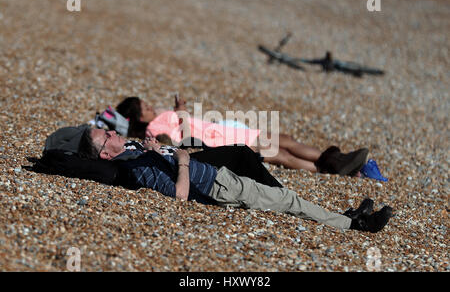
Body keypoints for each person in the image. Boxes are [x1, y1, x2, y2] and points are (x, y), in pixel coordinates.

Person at [78, 128, 394, 233]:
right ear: (105, 155)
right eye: (106, 135)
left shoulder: (138, 155)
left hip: (218, 177)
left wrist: (163, 151)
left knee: (287, 199)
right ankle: (356, 225)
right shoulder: (133, 167)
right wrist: (182, 161)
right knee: (287, 200)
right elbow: (179, 195)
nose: (113, 133)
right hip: (216, 185)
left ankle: (345, 218)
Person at [115, 96, 369, 176]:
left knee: (285, 141)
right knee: (279, 152)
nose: (149, 106)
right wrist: (180, 113)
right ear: (138, 116)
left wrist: (179, 109)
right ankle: (330, 167)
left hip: (222, 131)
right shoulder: (153, 131)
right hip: (219, 139)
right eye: (144, 106)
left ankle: (334, 162)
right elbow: (185, 139)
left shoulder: (158, 120)